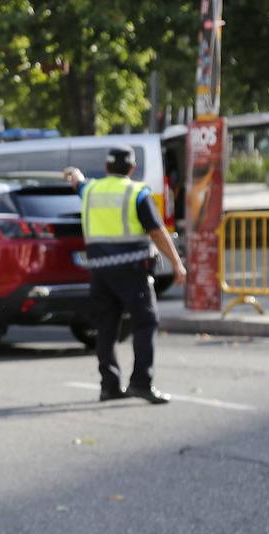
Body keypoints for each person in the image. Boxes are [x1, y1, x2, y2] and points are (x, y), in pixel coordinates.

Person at [65, 146, 187, 404]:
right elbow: (156, 231)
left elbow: (79, 184)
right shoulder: (136, 192)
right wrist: (176, 262)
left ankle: (109, 386)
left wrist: (75, 175)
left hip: (100, 272)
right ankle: (141, 383)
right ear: (132, 168)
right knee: (146, 321)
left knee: (106, 327)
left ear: (107, 168)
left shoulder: (92, 190)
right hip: (131, 270)